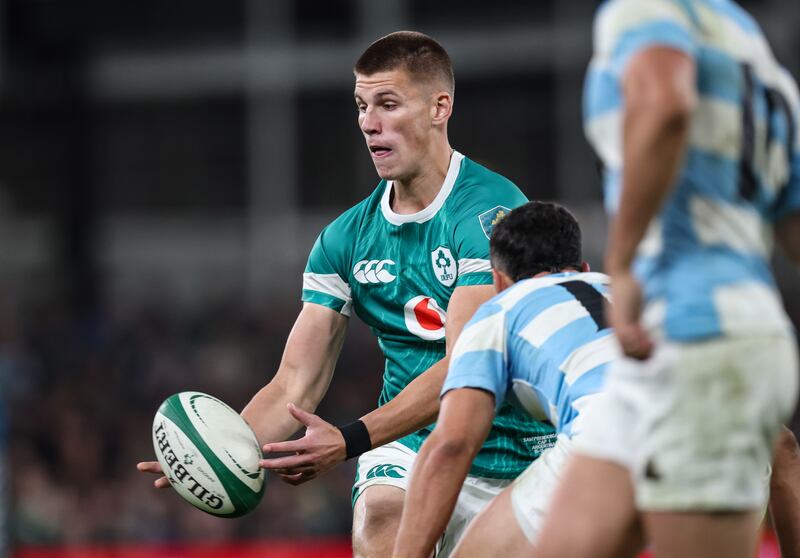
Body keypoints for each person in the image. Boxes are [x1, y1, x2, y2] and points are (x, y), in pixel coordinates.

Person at [138, 31, 556, 557]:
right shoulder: (344, 240)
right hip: (411, 446)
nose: (368, 122)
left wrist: (351, 439)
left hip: (512, 450)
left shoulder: (491, 214)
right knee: (382, 522)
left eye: (387, 104)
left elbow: (466, 364)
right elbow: (296, 380)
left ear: (438, 108)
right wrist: (217, 452)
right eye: (361, 106)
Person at [534, 2, 800, 557]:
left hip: (699, 341)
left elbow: (665, 103)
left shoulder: (646, 9)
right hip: (692, 340)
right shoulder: (747, 42)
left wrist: (624, 262)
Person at [392, 201, 640, 558]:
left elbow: (452, 445)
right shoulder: (622, 292)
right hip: (722, 429)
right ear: (583, 268)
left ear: (498, 281)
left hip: (610, 438)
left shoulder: (500, 310)